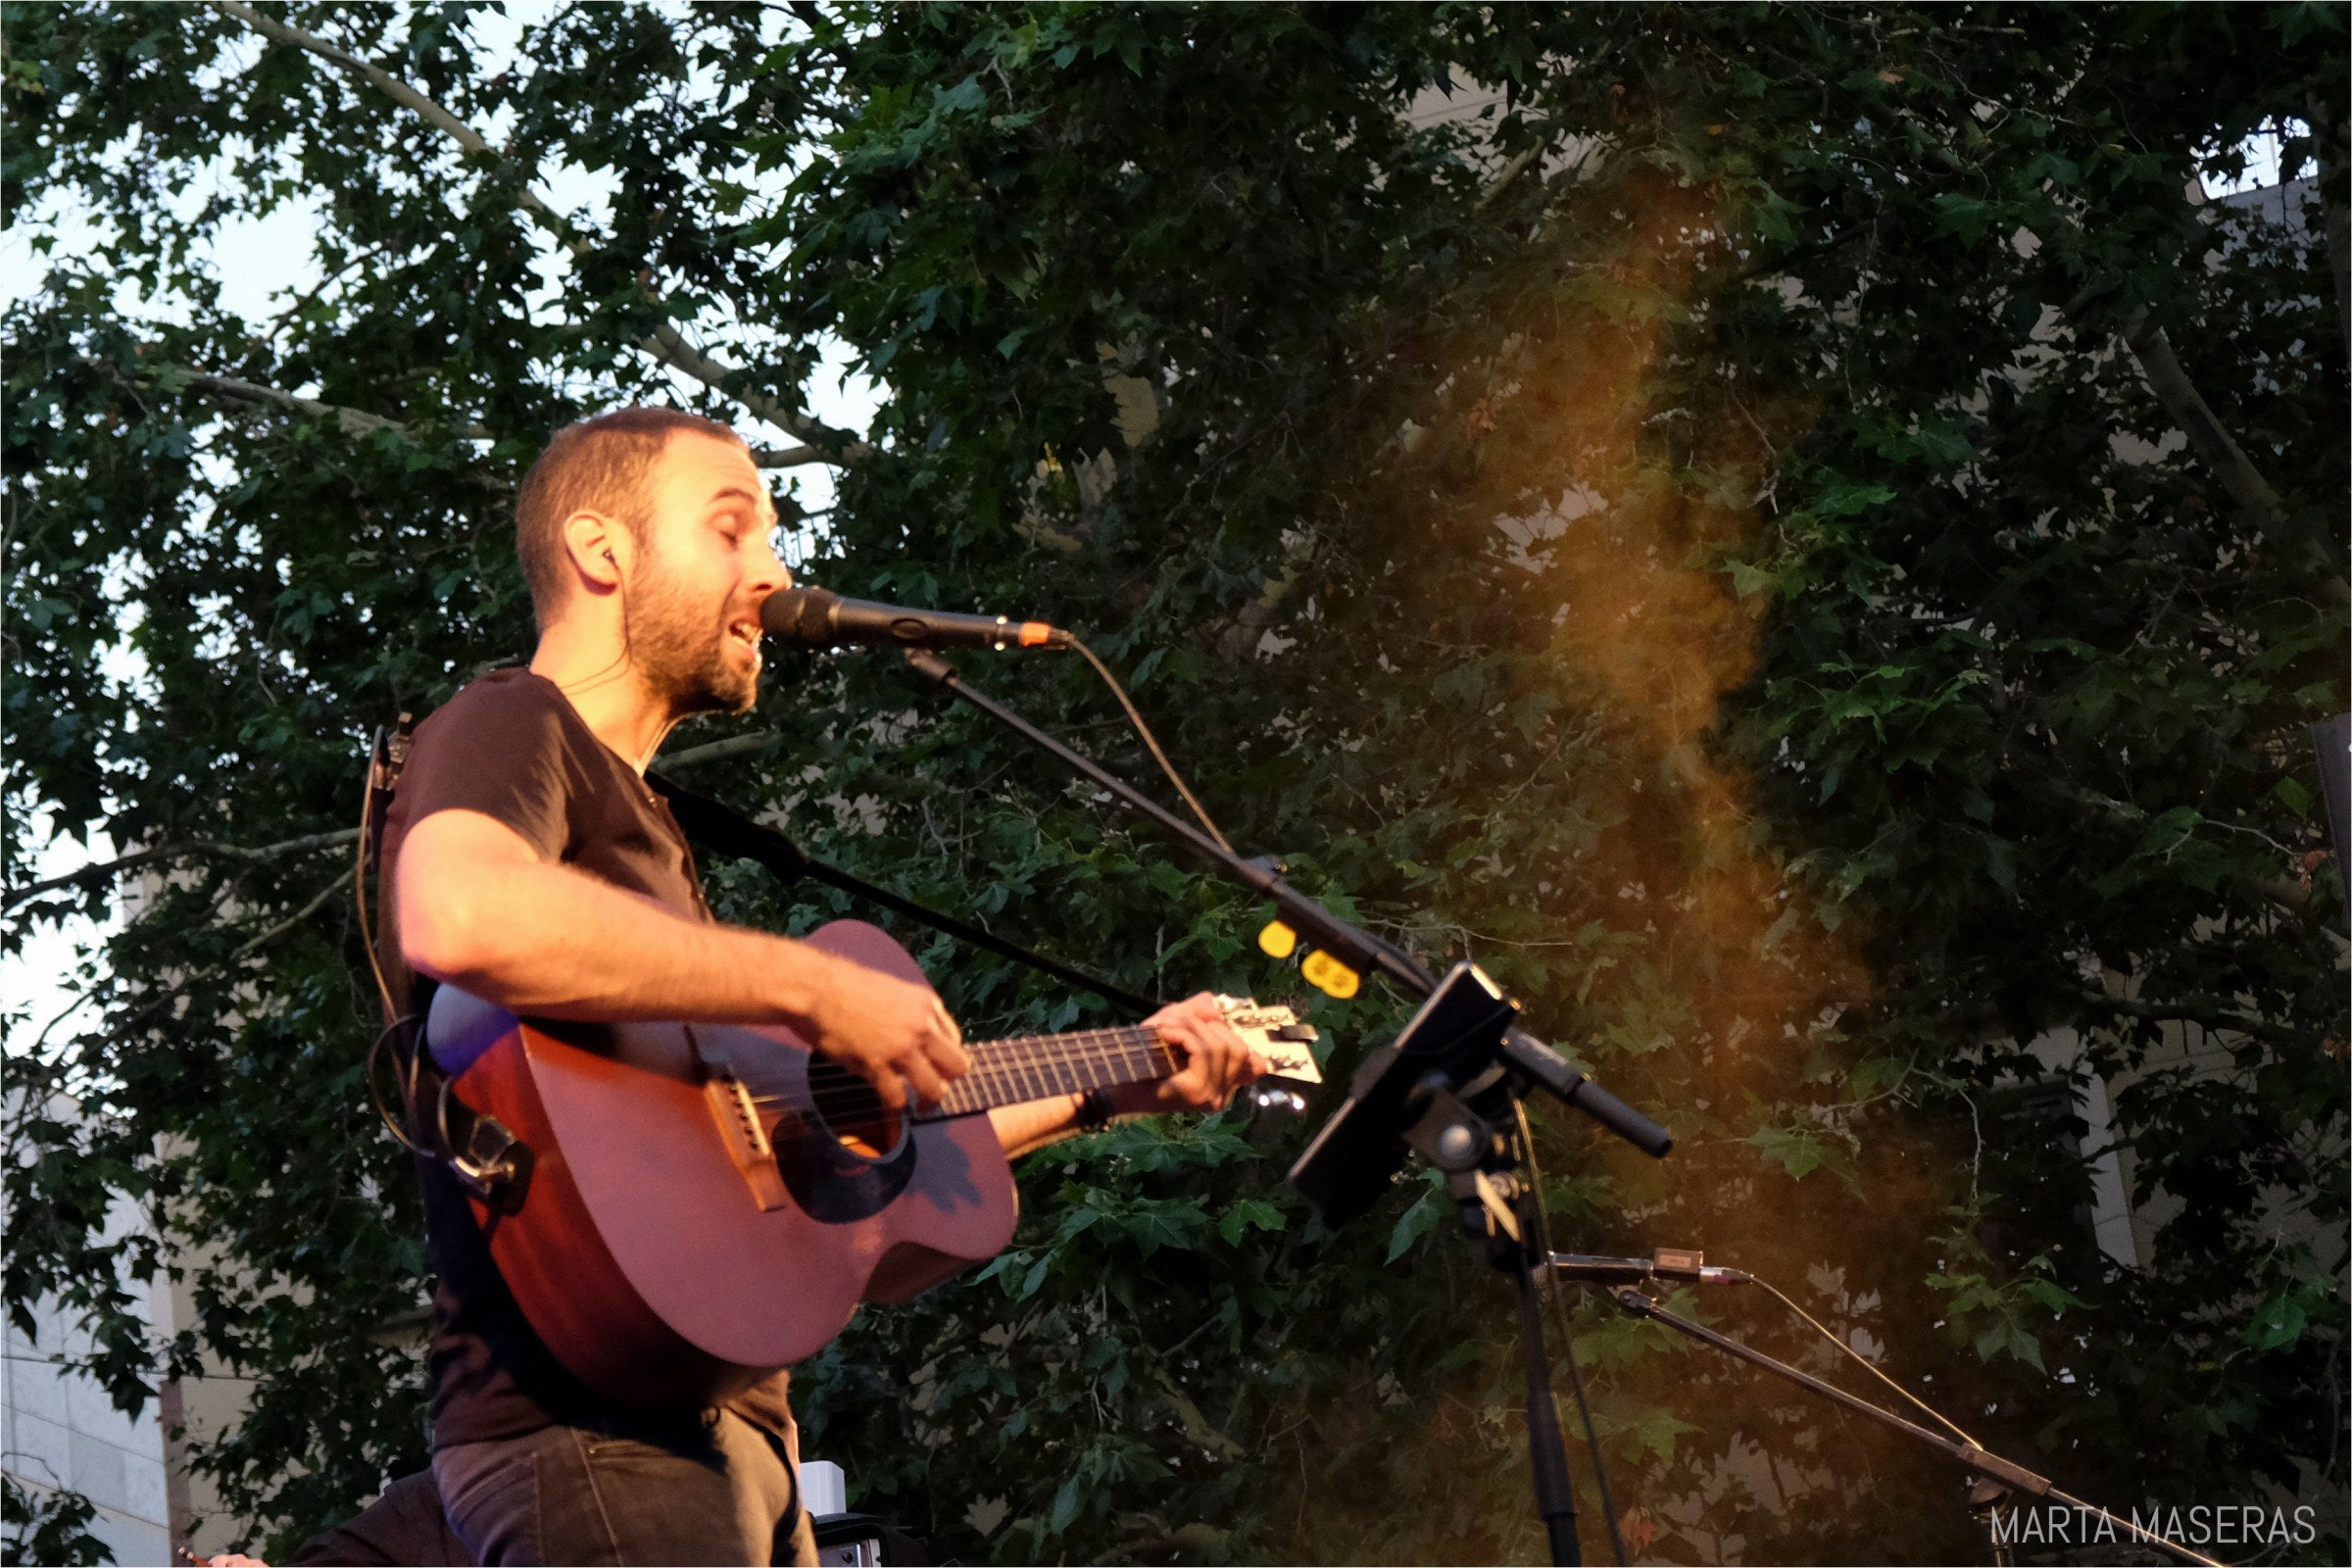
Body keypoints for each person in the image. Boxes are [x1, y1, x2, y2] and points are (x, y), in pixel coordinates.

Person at [376, 407, 1268, 1566]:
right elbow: (460, 908)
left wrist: (1121, 1078)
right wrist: (807, 987)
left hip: (731, 1440)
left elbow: (852, 1154)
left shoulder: (650, 843)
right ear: (601, 549)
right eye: (732, 528)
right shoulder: (510, 720)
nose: (773, 570)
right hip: (594, 1437)